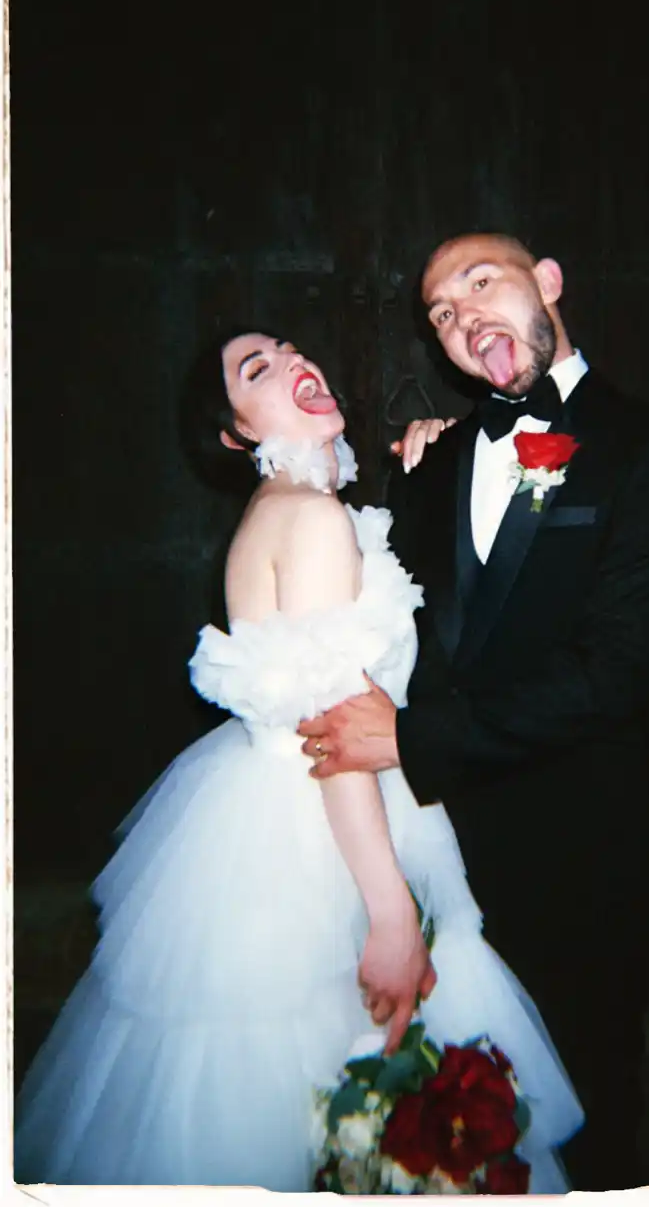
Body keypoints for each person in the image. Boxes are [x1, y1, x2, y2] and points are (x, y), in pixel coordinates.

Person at [14, 328, 583, 1190]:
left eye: (287, 349)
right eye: (258, 370)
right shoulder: (309, 519)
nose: (293, 363)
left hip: (300, 806)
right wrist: (390, 914)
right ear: (236, 432)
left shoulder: (292, 509)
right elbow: (337, 733)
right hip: (324, 829)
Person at [298, 234, 649, 1190]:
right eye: (443, 312)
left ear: (550, 283)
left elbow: (613, 676)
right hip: (444, 860)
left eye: (482, 283)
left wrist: (408, 740)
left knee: (587, 1132)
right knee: (442, 1138)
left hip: (582, 869)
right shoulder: (436, 462)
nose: (465, 316)